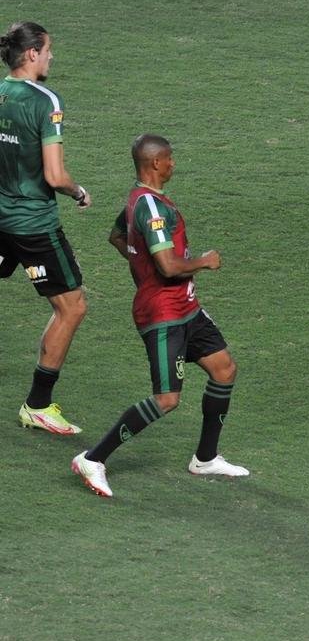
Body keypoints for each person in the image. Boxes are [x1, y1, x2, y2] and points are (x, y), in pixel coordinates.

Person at [71, 134, 247, 497]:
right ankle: (93, 458)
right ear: (154, 164)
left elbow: (117, 236)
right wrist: (204, 261)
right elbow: (167, 266)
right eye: (169, 159)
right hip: (163, 314)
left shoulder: (139, 199)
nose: (173, 164)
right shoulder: (150, 206)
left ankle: (206, 458)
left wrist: (141, 264)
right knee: (167, 399)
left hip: (188, 308)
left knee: (224, 369)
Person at [0, 21, 92, 435]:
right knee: (72, 307)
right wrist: (79, 192)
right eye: (49, 49)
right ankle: (38, 405)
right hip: (32, 225)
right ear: (32, 53)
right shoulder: (45, 100)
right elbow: (54, 176)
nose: (52, 56)